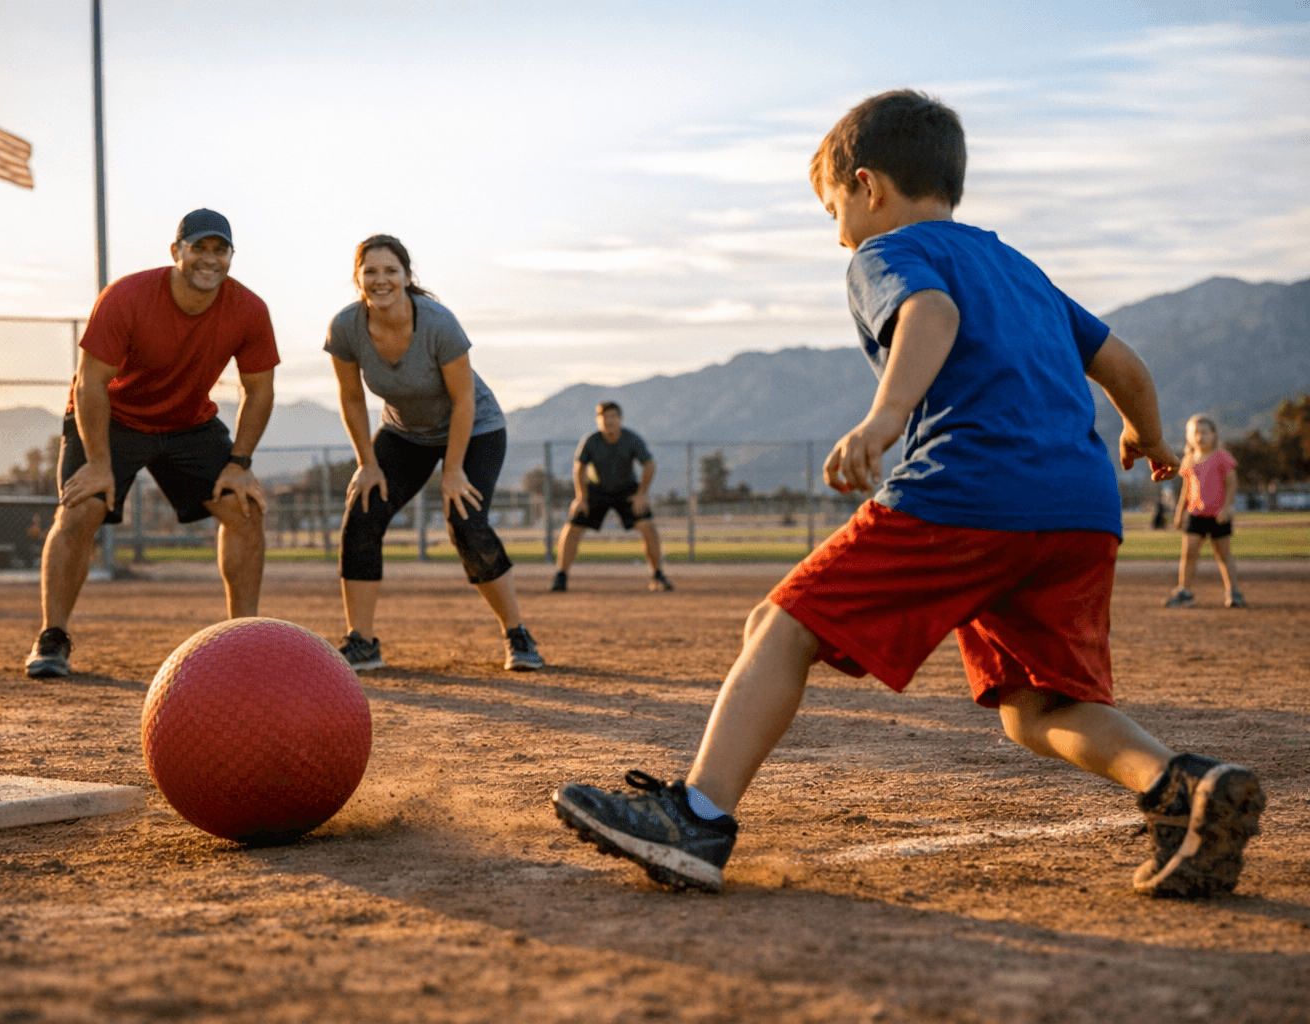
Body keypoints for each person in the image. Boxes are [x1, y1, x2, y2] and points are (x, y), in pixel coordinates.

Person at [552, 90, 1265, 898]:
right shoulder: (1021, 268)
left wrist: (884, 419)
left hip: (970, 488)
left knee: (780, 625)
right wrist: (1150, 438)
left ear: (868, 186)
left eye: (833, 211)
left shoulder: (888, 253)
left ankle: (699, 817)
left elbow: (929, 311)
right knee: (1035, 708)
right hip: (1081, 509)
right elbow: (1126, 367)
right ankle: (1181, 787)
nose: (840, 233)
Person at [25, 209, 277, 678]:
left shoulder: (249, 309)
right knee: (80, 508)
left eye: (219, 249)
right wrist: (99, 462)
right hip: (113, 417)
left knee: (242, 507)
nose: (209, 258)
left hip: (188, 421)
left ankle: (246, 638)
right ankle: (52, 638)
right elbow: (90, 384)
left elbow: (260, 389)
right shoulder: (127, 296)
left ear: (230, 257)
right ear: (175, 251)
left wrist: (240, 462)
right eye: (198, 247)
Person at [326, 234, 542, 673]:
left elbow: (463, 401)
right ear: (358, 278)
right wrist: (367, 463)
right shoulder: (346, 327)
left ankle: (517, 634)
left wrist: (454, 471)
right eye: (371, 271)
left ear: (407, 277)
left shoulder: (439, 324)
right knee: (362, 513)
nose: (381, 279)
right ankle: (362, 642)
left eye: (391, 271)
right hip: (404, 433)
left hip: (476, 428)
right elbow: (351, 398)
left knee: (465, 521)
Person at [550, 401, 673, 593]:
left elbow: (649, 464)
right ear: (598, 420)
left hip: (627, 491)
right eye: (604, 417)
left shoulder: (631, 439)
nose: (609, 421)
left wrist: (641, 495)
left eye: (613, 416)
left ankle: (658, 574)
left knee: (647, 526)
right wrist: (581, 498)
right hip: (597, 490)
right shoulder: (591, 441)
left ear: (620, 419)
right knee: (572, 528)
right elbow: (579, 468)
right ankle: (561, 576)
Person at [1165, 414, 1245, 608]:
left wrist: (1227, 508)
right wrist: (1179, 513)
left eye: (1204, 432)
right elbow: (1186, 489)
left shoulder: (1221, 457)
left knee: (1223, 555)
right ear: (1190, 437)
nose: (1200, 437)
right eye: (1195, 433)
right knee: (1188, 554)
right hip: (1195, 514)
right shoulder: (1189, 459)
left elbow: (1232, 483)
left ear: (1214, 435)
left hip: (1218, 515)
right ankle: (1185, 591)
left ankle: (1233, 592)